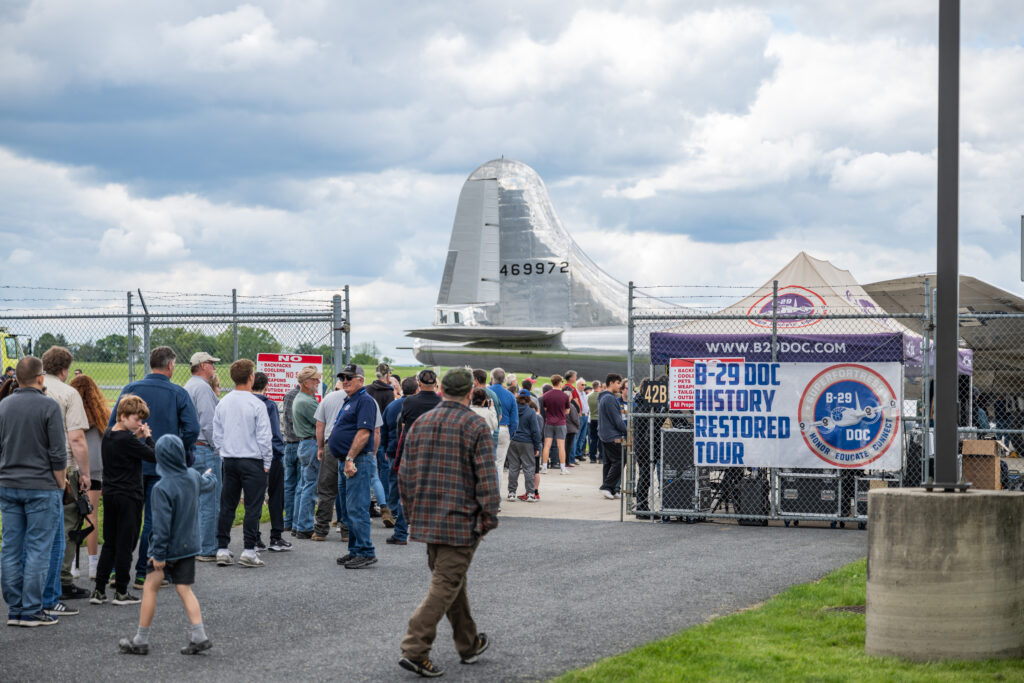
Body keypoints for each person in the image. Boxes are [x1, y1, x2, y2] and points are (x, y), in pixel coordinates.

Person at [397, 368, 498, 677]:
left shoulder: (421, 423)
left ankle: (468, 643)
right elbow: (487, 478)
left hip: (427, 519)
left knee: (452, 581)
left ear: (441, 390)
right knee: (445, 584)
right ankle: (415, 647)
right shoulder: (474, 424)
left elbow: (404, 474)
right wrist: (489, 516)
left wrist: (412, 514)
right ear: (470, 392)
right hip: (460, 521)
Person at [108, 346, 200, 587]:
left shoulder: (130, 389)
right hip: (161, 466)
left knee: (128, 519)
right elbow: (192, 429)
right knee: (155, 519)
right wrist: (175, 449)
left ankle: (118, 571)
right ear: (170, 366)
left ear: (151, 364)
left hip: (131, 466)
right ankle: (145, 571)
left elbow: (112, 426)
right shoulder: (178, 393)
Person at [118, 435, 216, 656]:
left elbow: (161, 526)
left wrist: (158, 554)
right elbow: (208, 484)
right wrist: (211, 476)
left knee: (150, 588)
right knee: (184, 588)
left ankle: (140, 639)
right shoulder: (192, 476)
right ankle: (199, 634)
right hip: (189, 546)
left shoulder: (161, 488)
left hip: (166, 549)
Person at [0, 356, 67, 627]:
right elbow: (58, 453)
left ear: (17, 377)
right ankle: (31, 608)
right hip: (41, 486)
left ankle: (15, 608)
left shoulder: (3, 406)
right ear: (41, 378)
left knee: (11, 548)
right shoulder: (49, 406)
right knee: (39, 548)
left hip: (8, 484)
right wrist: (60, 485)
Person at [91, 395, 155, 606]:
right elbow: (154, 456)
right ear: (123, 416)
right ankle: (121, 591)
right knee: (126, 544)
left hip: (110, 494)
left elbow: (126, 450)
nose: (140, 424)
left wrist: (136, 436)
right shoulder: (128, 440)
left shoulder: (109, 434)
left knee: (110, 542)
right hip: (129, 496)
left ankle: (99, 590)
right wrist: (147, 438)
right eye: (137, 419)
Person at [40, 346, 91, 605]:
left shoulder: (29, 388)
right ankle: (62, 580)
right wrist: (85, 473)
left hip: (33, 468)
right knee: (69, 525)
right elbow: (77, 438)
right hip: (64, 466)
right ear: (64, 369)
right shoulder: (68, 393)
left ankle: (36, 578)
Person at [213, 359, 272, 568]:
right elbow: (264, 437)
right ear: (251, 377)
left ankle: (221, 548)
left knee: (227, 504)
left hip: (229, 460)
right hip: (253, 460)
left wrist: (224, 453)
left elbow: (217, 434)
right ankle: (248, 549)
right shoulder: (257, 403)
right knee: (252, 506)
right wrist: (267, 461)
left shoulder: (224, 402)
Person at [327, 364, 379, 568]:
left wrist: (350, 458)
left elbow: (364, 432)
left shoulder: (365, 400)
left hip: (356, 461)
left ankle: (366, 552)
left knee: (357, 507)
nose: (345, 380)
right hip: (345, 461)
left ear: (361, 380)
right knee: (349, 509)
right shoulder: (350, 400)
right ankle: (355, 550)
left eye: (350, 377)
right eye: (343, 377)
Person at [69, 373, 110, 581]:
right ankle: (93, 565)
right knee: (91, 517)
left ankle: (73, 566)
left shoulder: (71, 413)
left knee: (72, 518)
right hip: (96, 470)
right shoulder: (102, 414)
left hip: (74, 468)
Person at [184, 351, 221, 562]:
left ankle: (196, 544)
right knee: (210, 498)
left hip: (192, 448)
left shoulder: (189, 385)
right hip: (204, 447)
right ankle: (207, 547)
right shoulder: (203, 388)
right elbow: (208, 423)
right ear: (203, 365)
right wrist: (218, 448)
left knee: (197, 500)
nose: (214, 367)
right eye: (211, 364)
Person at [252, 372, 291, 552]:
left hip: (251, 455)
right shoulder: (268, 405)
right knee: (276, 496)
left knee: (255, 497)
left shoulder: (245, 403)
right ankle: (276, 536)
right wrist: (278, 452)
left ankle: (254, 536)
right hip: (271, 455)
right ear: (266, 385)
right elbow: (275, 432)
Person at [381, 377, 417, 546]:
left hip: (392, 449)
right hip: (410, 451)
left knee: (393, 481)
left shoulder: (392, 406)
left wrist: (385, 448)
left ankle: (393, 509)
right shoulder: (416, 406)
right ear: (416, 390)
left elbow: (384, 429)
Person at [291, 366, 324, 539]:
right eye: (315, 379)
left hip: (304, 445)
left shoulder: (301, 398)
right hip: (311, 444)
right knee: (310, 487)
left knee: (303, 486)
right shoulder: (307, 401)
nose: (318, 382)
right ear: (305, 383)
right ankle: (304, 526)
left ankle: (298, 524)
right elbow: (321, 422)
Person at [365, 362, 396, 527]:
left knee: (369, 472)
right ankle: (385, 505)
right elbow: (388, 417)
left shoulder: (368, 389)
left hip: (366, 432)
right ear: (388, 375)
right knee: (382, 472)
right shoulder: (389, 392)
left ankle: (369, 504)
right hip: (381, 434)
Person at [507, 393, 542, 502]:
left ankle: (511, 492)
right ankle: (531, 493)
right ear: (528, 400)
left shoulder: (513, 410)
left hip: (513, 440)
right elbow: (535, 431)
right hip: (527, 442)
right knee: (529, 468)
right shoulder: (531, 412)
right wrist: (537, 446)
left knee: (513, 467)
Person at [598, 374, 628, 499]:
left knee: (609, 462)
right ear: (611, 383)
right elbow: (617, 420)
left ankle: (610, 489)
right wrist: (628, 431)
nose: (620, 386)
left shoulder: (604, 397)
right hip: (612, 436)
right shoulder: (609, 399)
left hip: (605, 435)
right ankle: (606, 487)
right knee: (621, 460)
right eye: (618, 383)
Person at [488, 368, 518, 490]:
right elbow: (514, 419)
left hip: (489, 428)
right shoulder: (510, 395)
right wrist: (511, 434)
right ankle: (497, 495)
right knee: (499, 465)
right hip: (504, 428)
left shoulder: (487, 391)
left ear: (492, 379)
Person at [280, 381, 302, 532]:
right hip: (296, 443)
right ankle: (293, 521)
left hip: (291, 443)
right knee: (298, 484)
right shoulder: (296, 396)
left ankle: (290, 520)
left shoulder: (290, 396)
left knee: (291, 484)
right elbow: (289, 418)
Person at [541, 374, 570, 475]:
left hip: (549, 422)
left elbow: (545, 408)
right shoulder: (565, 396)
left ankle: (544, 467)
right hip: (561, 423)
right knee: (561, 446)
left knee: (547, 445)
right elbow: (567, 411)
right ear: (560, 382)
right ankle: (562, 468)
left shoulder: (546, 395)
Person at [564, 385, 581, 467]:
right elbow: (575, 418)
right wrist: (578, 425)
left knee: (565, 446)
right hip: (571, 429)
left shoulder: (563, 404)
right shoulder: (571, 406)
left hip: (564, 427)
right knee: (568, 447)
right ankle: (567, 462)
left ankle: (565, 462)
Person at [588, 381, 602, 463]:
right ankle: (601, 457)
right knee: (600, 439)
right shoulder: (601, 396)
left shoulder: (589, 396)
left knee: (593, 439)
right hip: (600, 419)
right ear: (599, 386)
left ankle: (592, 457)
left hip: (592, 418)